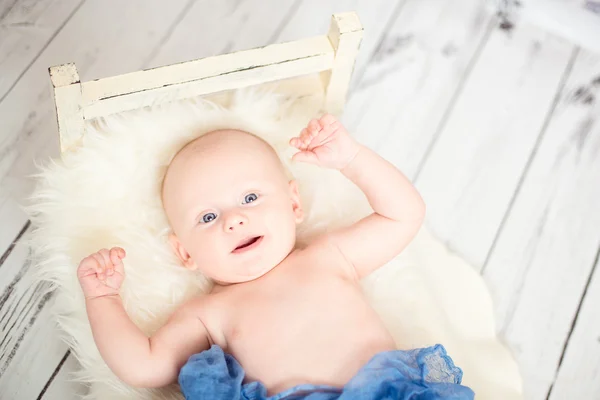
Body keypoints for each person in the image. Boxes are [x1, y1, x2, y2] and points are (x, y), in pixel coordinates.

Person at [77, 114, 474, 399]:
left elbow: (403, 214)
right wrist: (103, 299)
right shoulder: (208, 313)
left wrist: (352, 160)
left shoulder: (328, 257)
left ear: (293, 203)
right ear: (186, 253)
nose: (234, 220)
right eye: (208, 217)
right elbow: (143, 367)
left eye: (250, 198)